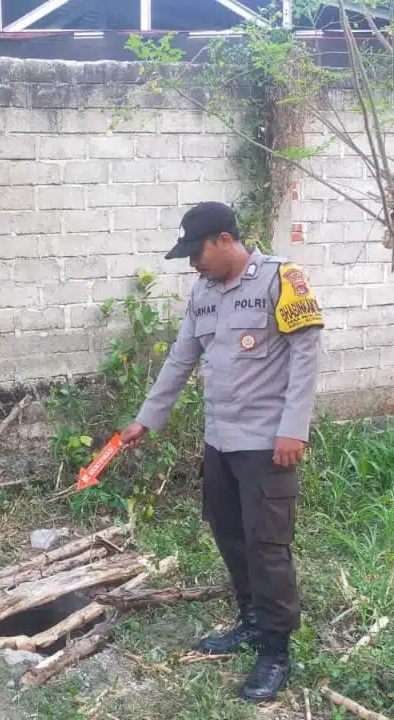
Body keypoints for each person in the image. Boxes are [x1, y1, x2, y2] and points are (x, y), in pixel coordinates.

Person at [119, 201, 323, 703]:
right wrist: (147, 418)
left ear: (224, 241)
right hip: (220, 440)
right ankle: (251, 620)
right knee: (229, 532)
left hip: (267, 444)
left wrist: (294, 429)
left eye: (196, 251)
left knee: (268, 544)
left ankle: (275, 651)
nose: (192, 263)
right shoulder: (203, 293)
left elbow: (306, 354)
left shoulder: (283, 279)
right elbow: (180, 359)